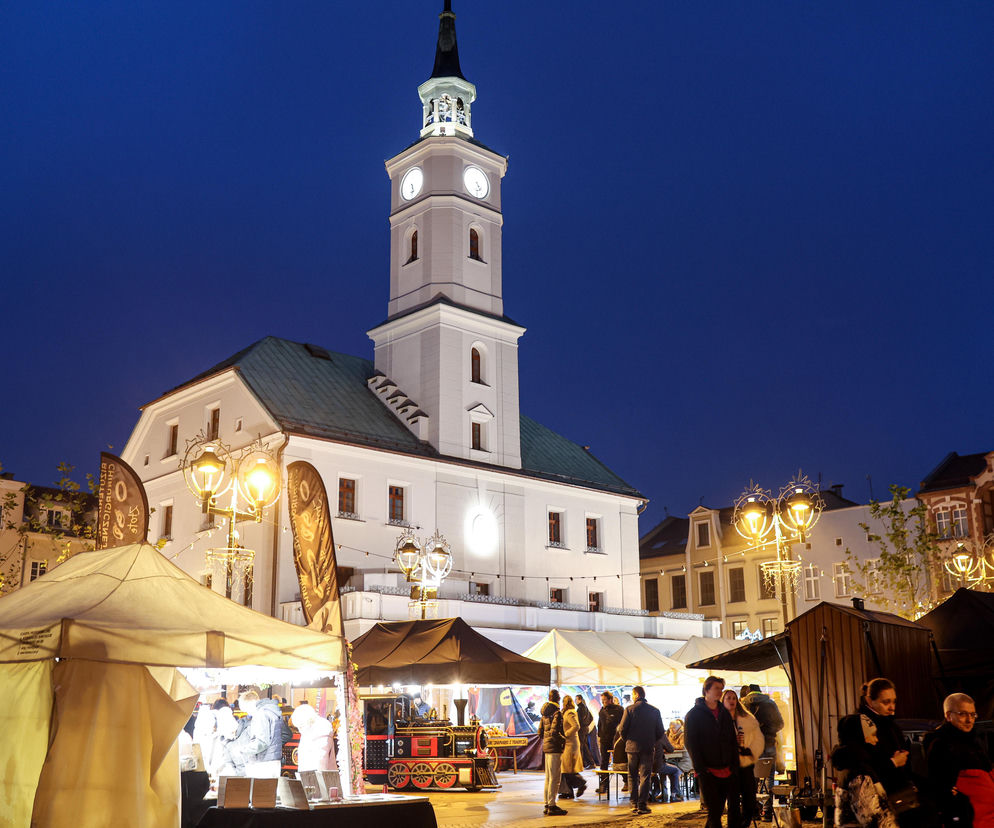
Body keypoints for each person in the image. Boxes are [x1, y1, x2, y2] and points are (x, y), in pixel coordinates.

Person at [925, 692, 994, 827]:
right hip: (969, 819)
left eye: (973, 714)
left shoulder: (975, 740)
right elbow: (941, 787)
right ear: (949, 716)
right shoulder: (940, 744)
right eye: (963, 714)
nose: (969, 720)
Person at [685, 675, 739, 828]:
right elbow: (691, 743)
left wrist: (734, 764)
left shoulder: (724, 713)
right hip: (707, 770)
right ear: (706, 690)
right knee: (714, 810)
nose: (719, 692)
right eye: (716, 688)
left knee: (718, 810)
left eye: (721, 689)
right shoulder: (694, 715)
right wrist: (700, 768)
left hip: (726, 768)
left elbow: (731, 740)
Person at [831, 712, 899, 828]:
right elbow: (871, 818)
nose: (876, 740)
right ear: (859, 738)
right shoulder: (858, 773)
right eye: (872, 735)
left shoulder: (853, 764)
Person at [618, 684, 664, 815]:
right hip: (648, 748)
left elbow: (621, 729)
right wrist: (652, 740)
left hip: (632, 748)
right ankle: (642, 805)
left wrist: (627, 739)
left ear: (636, 695)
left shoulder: (629, 709)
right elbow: (660, 731)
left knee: (632, 776)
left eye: (632, 695)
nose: (632, 697)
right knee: (645, 776)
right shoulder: (655, 711)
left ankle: (633, 804)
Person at [742, 683, 784, 821]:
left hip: (750, 747)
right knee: (769, 778)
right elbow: (780, 724)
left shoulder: (743, 704)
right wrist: (768, 730)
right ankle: (767, 811)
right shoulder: (770, 704)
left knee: (750, 779)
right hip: (768, 745)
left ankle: (753, 810)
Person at [723, 687, 764, 826]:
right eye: (728, 698)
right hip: (729, 764)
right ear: (722, 701)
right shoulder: (718, 719)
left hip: (746, 762)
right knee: (733, 799)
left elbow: (758, 738)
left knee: (749, 798)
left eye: (733, 698)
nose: (731, 701)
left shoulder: (747, 718)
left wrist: (750, 750)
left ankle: (744, 822)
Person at [239, 688, 284, 778]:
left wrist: (243, 749)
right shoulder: (273, 712)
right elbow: (285, 734)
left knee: (260, 791)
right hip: (274, 760)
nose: (248, 713)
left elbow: (262, 742)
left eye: (246, 709)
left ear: (250, 703)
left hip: (263, 763)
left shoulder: (260, 714)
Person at [538, 689, 568, 816]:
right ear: (558, 698)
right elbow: (555, 732)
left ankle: (547, 803)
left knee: (548, 777)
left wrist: (547, 739)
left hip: (546, 747)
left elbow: (540, 732)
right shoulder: (557, 713)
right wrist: (564, 739)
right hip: (555, 748)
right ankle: (552, 805)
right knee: (555, 778)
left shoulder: (544, 713)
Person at [291, 702, 337, 772]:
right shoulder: (310, 731)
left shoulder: (321, 732)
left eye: (301, 726)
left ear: (309, 721)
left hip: (317, 778)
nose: (300, 731)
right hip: (311, 777)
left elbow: (320, 763)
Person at [597, 690, 625, 794]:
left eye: (605, 700)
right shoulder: (602, 710)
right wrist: (599, 736)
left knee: (620, 761)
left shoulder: (619, 709)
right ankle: (603, 785)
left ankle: (626, 781)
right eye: (602, 700)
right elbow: (599, 724)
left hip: (616, 740)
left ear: (610, 700)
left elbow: (623, 724)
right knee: (603, 762)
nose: (603, 702)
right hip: (604, 740)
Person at [559, 695, 587, 798]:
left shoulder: (570, 713)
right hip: (567, 743)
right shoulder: (566, 712)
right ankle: (568, 792)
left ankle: (581, 783)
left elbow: (576, 726)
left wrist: (566, 733)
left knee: (567, 769)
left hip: (570, 743)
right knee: (565, 768)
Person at [650, 726, 683, 803]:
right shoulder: (661, 736)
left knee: (666, 770)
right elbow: (671, 749)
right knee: (675, 770)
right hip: (658, 765)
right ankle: (674, 795)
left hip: (647, 765)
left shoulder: (647, 735)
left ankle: (663, 794)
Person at [575, 694, 597, 768]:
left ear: (580, 700)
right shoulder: (585, 707)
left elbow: (579, 720)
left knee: (582, 746)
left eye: (576, 699)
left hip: (581, 729)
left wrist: (582, 724)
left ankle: (583, 763)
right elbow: (591, 717)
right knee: (584, 746)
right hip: (585, 729)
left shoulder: (580, 708)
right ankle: (590, 762)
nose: (575, 701)